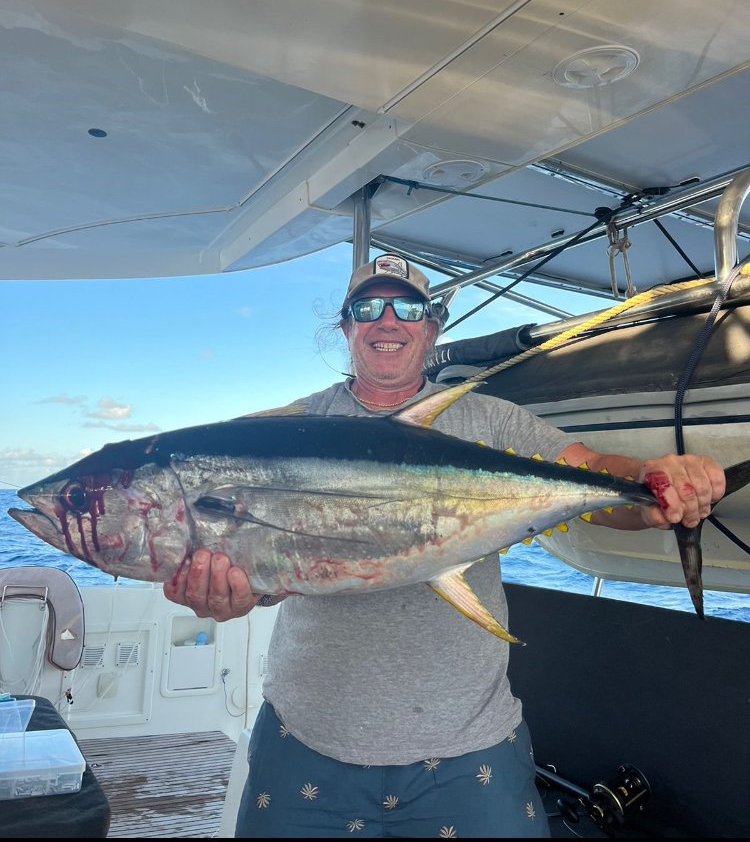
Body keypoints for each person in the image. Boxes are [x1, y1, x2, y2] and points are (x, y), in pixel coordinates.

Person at [164, 253, 725, 839]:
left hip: (470, 746)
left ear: (431, 328)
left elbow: (595, 478)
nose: (388, 321)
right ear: (346, 326)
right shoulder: (288, 428)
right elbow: (266, 565)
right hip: (308, 736)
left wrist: (653, 483)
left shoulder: (495, 422)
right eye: (368, 308)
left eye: (407, 309)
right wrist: (240, 593)